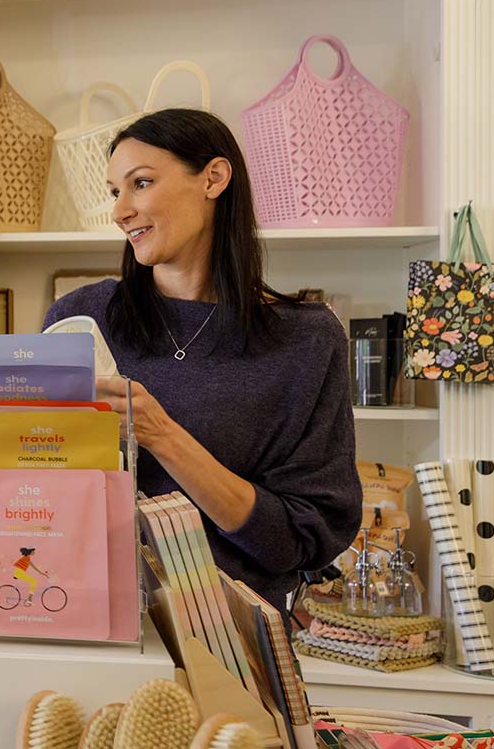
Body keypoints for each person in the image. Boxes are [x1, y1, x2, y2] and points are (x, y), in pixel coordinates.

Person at [44, 108, 361, 611]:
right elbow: (43, 489)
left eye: (141, 183)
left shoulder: (306, 341)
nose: (119, 211)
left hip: (230, 644)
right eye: (114, 192)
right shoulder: (81, 319)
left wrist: (161, 434)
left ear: (213, 178)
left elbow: (301, 541)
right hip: (82, 617)